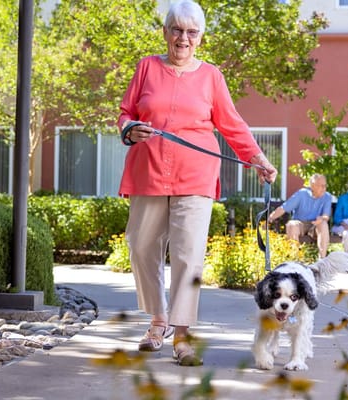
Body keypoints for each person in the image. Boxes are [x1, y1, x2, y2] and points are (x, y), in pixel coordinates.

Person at [117, 0, 277, 366]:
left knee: (189, 255)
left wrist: (259, 159)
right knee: (142, 246)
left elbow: (232, 124)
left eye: (191, 32)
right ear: (165, 32)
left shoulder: (211, 76)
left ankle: (181, 333)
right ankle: (158, 320)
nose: (183, 38)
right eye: (176, 29)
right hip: (148, 170)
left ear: (200, 38)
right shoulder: (146, 67)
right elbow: (126, 112)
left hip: (195, 174)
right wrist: (129, 128)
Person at [267, 174, 332, 258]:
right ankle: (296, 259)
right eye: (321, 186)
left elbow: (326, 216)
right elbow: (284, 208)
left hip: (315, 225)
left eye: (325, 185)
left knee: (323, 224)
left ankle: (322, 260)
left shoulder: (327, 196)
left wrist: (322, 218)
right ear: (312, 186)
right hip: (300, 224)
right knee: (292, 224)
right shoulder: (302, 194)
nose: (324, 188)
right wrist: (270, 218)